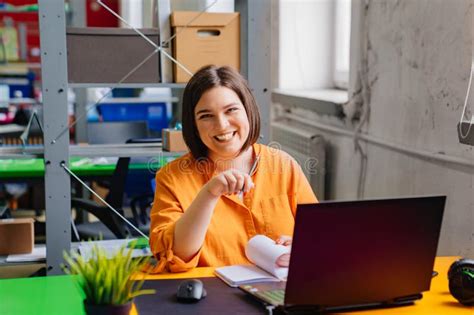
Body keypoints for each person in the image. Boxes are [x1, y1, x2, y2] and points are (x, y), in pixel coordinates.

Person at [149, 65, 318, 273]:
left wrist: (300, 248)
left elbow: (319, 239)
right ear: (193, 124)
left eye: (231, 110)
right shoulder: (172, 178)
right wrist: (209, 194)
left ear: (248, 110)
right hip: (213, 299)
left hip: (281, 293)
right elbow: (177, 256)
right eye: (206, 116)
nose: (221, 125)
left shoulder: (284, 165)